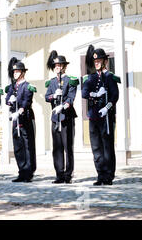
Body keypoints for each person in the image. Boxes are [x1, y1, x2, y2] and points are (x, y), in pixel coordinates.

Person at [81, 45, 120, 186]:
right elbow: (84, 93)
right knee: (96, 147)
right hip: (93, 117)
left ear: (104, 61)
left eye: (99, 61)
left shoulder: (110, 77)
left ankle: (108, 176)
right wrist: (95, 94)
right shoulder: (90, 78)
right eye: (95, 61)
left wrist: (107, 107)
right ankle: (100, 174)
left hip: (106, 117)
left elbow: (115, 96)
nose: (96, 63)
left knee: (107, 147)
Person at [45, 51, 79, 184]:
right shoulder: (52, 82)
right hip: (55, 118)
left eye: (60, 65)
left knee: (67, 147)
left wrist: (63, 106)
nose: (57, 68)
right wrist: (53, 96)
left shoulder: (70, 80)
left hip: (66, 117)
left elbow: (71, 98)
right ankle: (59, 174)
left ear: (64, 67)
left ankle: (68, 175)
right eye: (56, 66)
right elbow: (47, 96)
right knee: (57, 147)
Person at [5, 58, 37, 183]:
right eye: (14, 72)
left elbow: (26, 102)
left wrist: (19, 111)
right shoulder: (13, 86)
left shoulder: (27, 86)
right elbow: (7, 99)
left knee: (27, 145)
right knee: (18, 145)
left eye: (17, 71)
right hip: (15, 118)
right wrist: (10, 100)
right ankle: (21, 171)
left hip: (25, 117)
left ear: (23, 72)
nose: (15, 73)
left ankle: (29, 172)